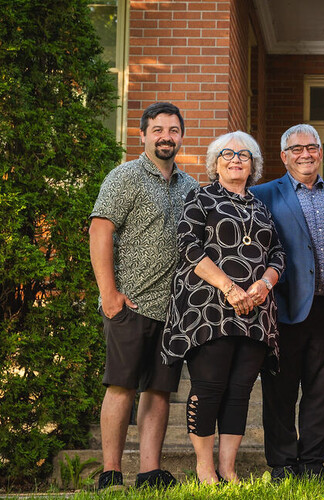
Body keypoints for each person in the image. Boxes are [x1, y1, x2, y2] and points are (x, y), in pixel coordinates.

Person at [160, 131, 285, 484]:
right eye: (227, 154)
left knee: (240, 391)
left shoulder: (261, 207)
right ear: (215, 164)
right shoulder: (199, 198)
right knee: (209, 386)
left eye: (244, 155)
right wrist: (229, 287)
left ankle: (228, 469)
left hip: (255, 313)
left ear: (253, 166)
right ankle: (204, 468)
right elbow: (188, 246)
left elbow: (277, 253)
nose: (236, 160)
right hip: (208, 309)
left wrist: (264, 284)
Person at [89, 102, 199, 490]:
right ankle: (111, 472)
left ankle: (150, 472)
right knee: (121, 386)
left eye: (173, 130)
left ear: (181, 136)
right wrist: (110, 295)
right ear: (143, 135)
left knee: (159, 390)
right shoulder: (125, 177)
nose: (166, 137)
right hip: (131, 304)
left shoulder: (191, 187)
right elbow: (100, 232)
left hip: (173, 310)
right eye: (158, 130)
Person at [249, 124, 324, 479]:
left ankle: (312, 463)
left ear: (321, 152)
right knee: (280, 391)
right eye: (296, 149)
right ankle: (282, 463)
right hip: (283, 308)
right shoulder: (263, 194)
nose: (305, 154)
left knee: (321, 392)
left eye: (312, 147)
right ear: (283, 156)